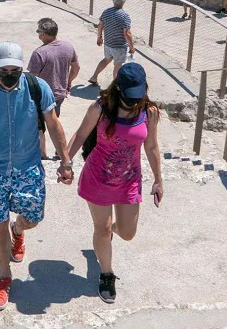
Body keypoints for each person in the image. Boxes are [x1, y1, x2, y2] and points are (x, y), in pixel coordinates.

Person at [0, 41, 73, 312]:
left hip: (28, 167)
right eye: (3, 70)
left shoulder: (38, 88)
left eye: (15, 69)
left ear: (22, 67)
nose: (9, 74)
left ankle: (19, 230)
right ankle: (4, 276)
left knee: (33, 217)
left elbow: (53, 124)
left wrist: (66, 161)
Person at [67, 63, 162, 304]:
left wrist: (159, 180)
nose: (133, 101)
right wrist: (66, 163)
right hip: (98, 178)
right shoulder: (100, 108)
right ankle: (106, 274)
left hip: (129, 180)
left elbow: (151, 147)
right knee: (103, 228)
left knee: (128, 233)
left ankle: (107, 238)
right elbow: (80, 135)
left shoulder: (149, 113)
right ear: (118, 87)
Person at [28, 18, 80, 159]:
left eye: (39, 31)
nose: (38, 34)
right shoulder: (68, 47)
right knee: (54, 122)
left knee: (39, 127)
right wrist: (68, 83)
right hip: (59, 95)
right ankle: (60, 152)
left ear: (44, 34)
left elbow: (32, 78)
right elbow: (76, 68)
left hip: (41, 97)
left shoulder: (39, 53)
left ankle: (43, 156)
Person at [88, 0, 134, 86]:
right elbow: (127, 33)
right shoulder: (125, 16)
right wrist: (131, 46)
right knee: (117, 66)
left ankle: (94, 77)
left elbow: (100, 25)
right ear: (124, 1)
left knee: (106, 60)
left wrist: (99, 37)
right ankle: (116, 87)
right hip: (119, 46)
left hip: (108, 44)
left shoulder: (106, 12)